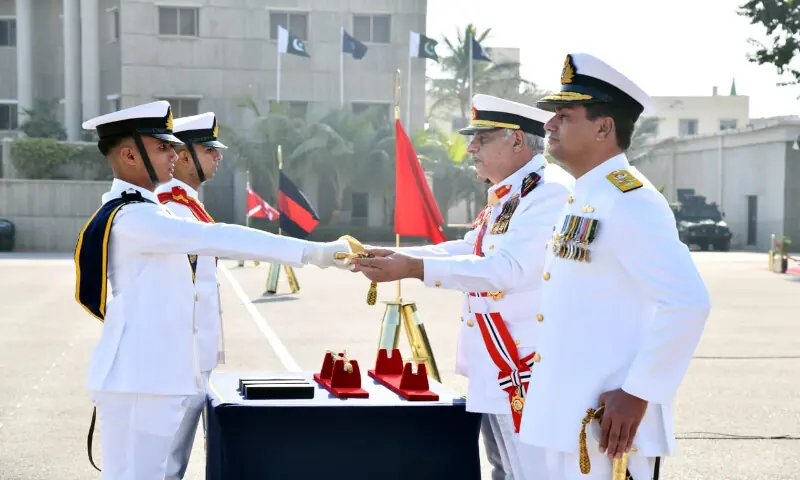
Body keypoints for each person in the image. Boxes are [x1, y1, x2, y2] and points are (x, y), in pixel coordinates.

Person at [74, 100, 352, 480]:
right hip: (141, 380)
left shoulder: (147, 211)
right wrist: (315, 252)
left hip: (154, 376)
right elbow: (218, 236)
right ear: (128, 155)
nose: (173, 155)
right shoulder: (135, 218)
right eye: (161, 147)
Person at [350, 94, 575, 480]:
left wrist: (413, 267)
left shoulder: (548, 191)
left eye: (482, 138)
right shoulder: (513, 193)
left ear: (517, 140)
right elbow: (473, 246)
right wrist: (401, 255)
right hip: (498, 365)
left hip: (524, 370)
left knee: (528, 474)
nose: (471, 147)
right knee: (506, 470)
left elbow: (508, 269)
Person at [516, 53, 712, 480]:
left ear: (604, 127)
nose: (549, 125)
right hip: (565, 417)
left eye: (564, 116)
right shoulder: (586, 195)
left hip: (608, 424)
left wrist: (638, 392)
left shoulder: (631, 200)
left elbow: (688, 302)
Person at [153, 111, 227, 479]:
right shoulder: (170, 209)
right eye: (210, 149)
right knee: (165, 458)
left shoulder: (189, 205)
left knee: (175, 458)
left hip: (194, 354)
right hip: (177, 356)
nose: (219, 157)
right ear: (182, 156)